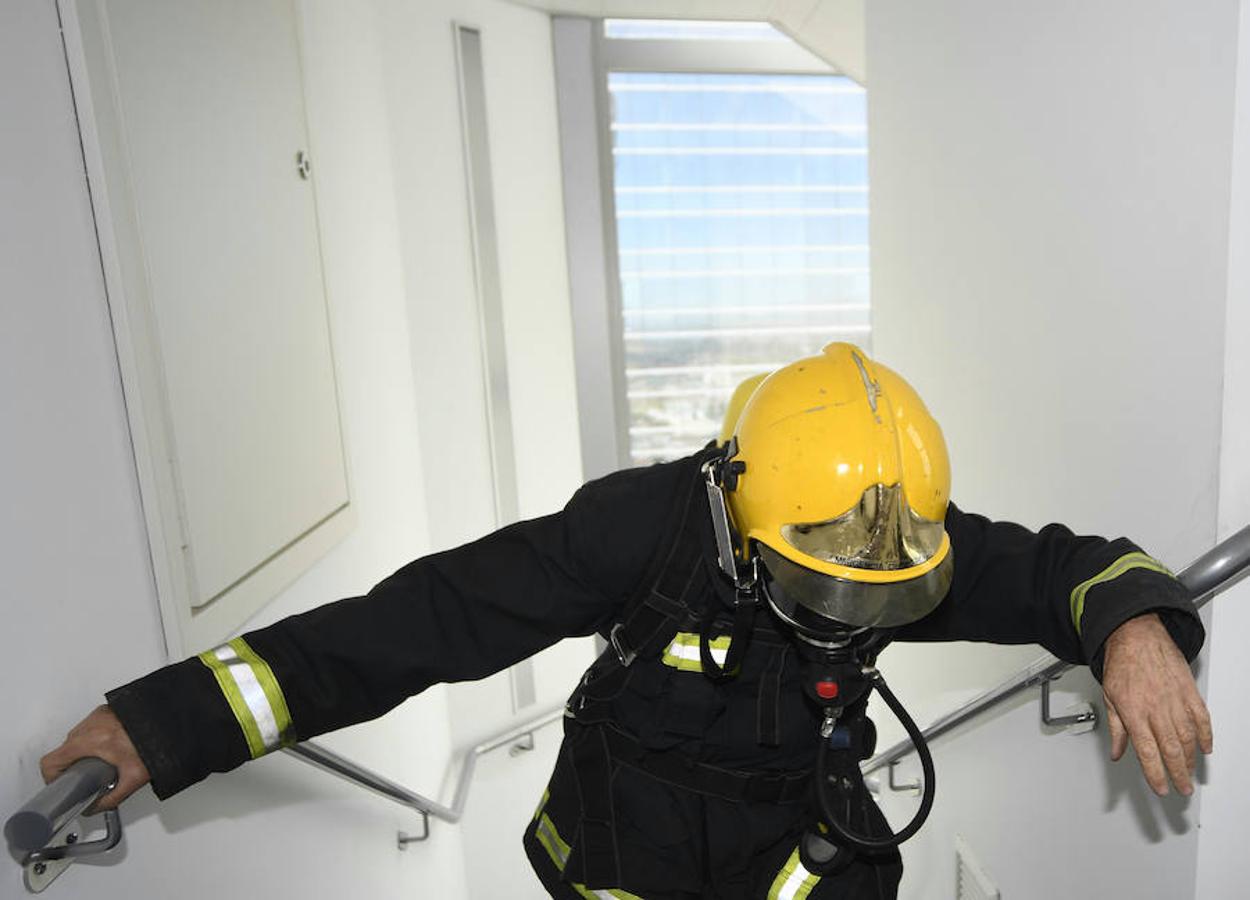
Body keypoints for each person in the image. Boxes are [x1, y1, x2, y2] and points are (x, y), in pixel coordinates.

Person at [41, 343, 1212, 899]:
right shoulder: (635, 531)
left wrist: (1129, 629)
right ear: (738, 516)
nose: (847, 615)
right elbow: (411, 624)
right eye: (817, 583)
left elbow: (1065, 568)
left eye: (878, 593)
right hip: (624, 847)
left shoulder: (890, 527)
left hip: (794, 846)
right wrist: (170, 722)